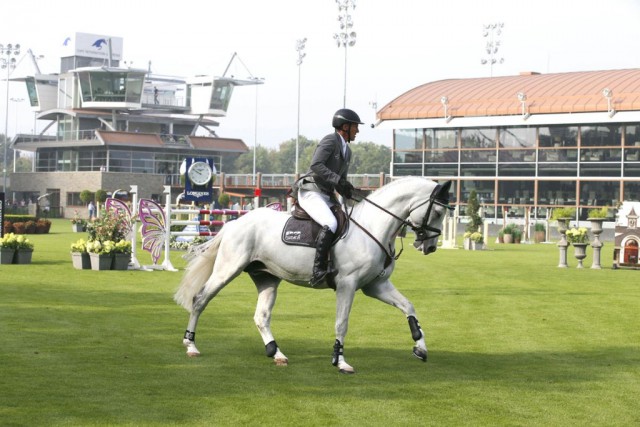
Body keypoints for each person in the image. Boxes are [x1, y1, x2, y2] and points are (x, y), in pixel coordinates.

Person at [295, 108, 362, 286]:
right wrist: (337, 180)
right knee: (331, 223)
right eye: (355, 127)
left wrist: (348, 190)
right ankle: (318, 270)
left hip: (327, 194)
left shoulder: (347, 151)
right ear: (345, 127)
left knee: (346, 222)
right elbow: (316, 165)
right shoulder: (330, 140)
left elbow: (342, 180)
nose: (358, 131)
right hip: (311, 190)